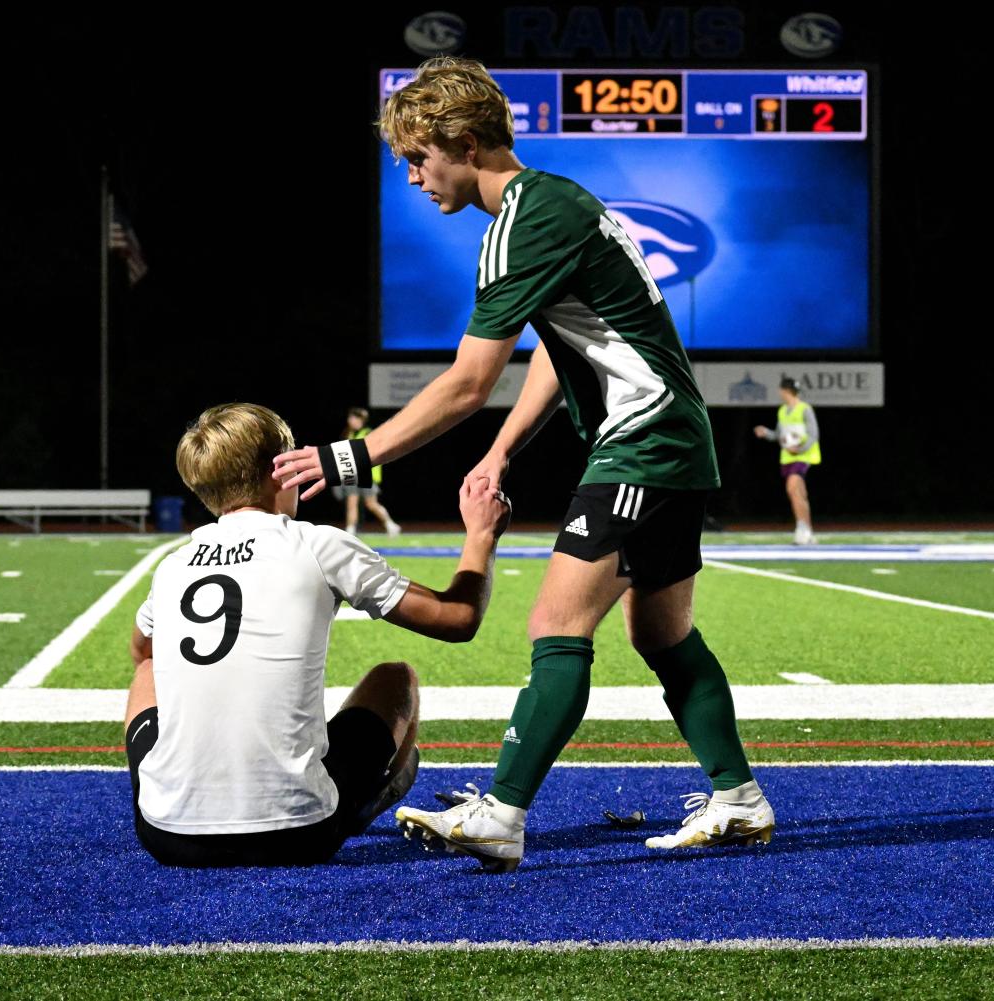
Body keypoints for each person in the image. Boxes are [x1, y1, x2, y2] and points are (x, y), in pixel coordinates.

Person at [271, 57, 773, 873]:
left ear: (463, 143)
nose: (411, 178)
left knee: (555, 625)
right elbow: (559, 343)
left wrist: (347, 458)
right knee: (661, 630)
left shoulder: (520, 223)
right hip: (670, 435)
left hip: (643, 439)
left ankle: (501, 813)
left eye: (417, 159)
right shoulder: (558, 200)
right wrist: (504, 448)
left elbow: (469, 382)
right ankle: (739, 798)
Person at [124, 401, 510, 867]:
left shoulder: (172, 566)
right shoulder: (317, 544)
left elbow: (142, 651)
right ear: (279, 469)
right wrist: (481, 536)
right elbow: (457, 619)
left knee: (147, 673)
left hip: (167, 836)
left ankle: (194, 786)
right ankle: (369, 799)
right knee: (396, 678)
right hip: (297, 834)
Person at [753, 377, 821, 545]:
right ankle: (808, 531)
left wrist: (799, 449)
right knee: (799, 493)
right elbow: (779, 435)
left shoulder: (805, 409)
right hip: (788, 457)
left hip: (802, 456)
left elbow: (813, 435)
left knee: (792, 487)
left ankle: (801, 528)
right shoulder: (783, 411)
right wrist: (766, 433)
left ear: (786, 390)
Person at [331, 407, 401, 537]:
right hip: (351, 473)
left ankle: (391, 525)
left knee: (371, 504)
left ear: (361, 420)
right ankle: (350, 530)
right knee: (352, 501)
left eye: (354, 418)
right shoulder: (348, 434)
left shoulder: (368, 433)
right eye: (350, 418)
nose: (351, 421)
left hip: (366, 473)